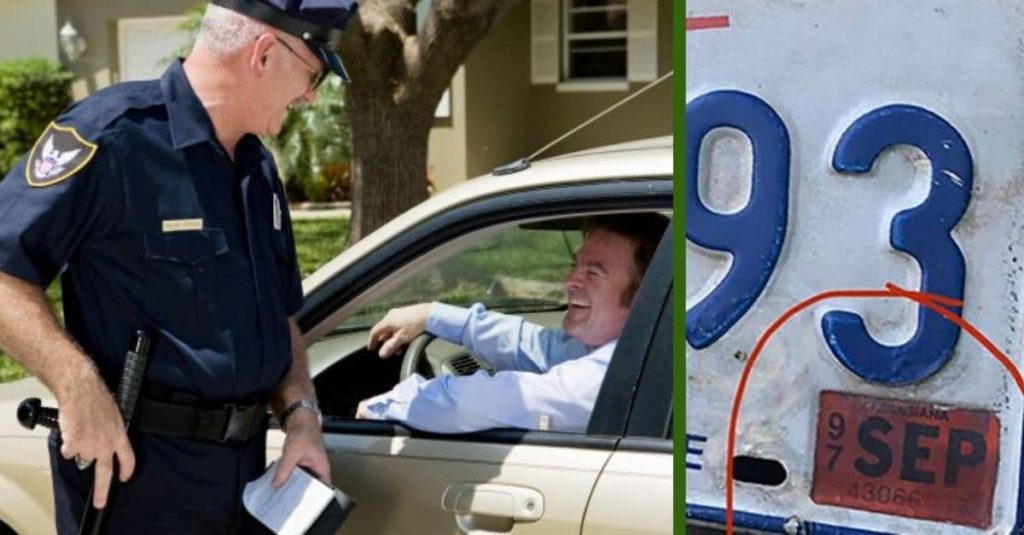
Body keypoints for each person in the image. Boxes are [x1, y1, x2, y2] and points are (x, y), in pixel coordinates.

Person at [0, 1, 358, 533]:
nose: (310, 96)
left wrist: (301, 414)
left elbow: (278, 317)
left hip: (244, 485)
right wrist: (76, 385)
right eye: (313, 74)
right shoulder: (113, 138)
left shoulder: (257, 167)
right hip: (135, 485)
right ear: (263, 53)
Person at [356, 213, 669, 433]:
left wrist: (384, 406)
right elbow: (538, 347)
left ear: (646, 297)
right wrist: (432, 315)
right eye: (575, 265)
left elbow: (482, 402)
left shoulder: (605, 377)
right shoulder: (635, 349)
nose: (569, 280)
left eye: (593, 272)